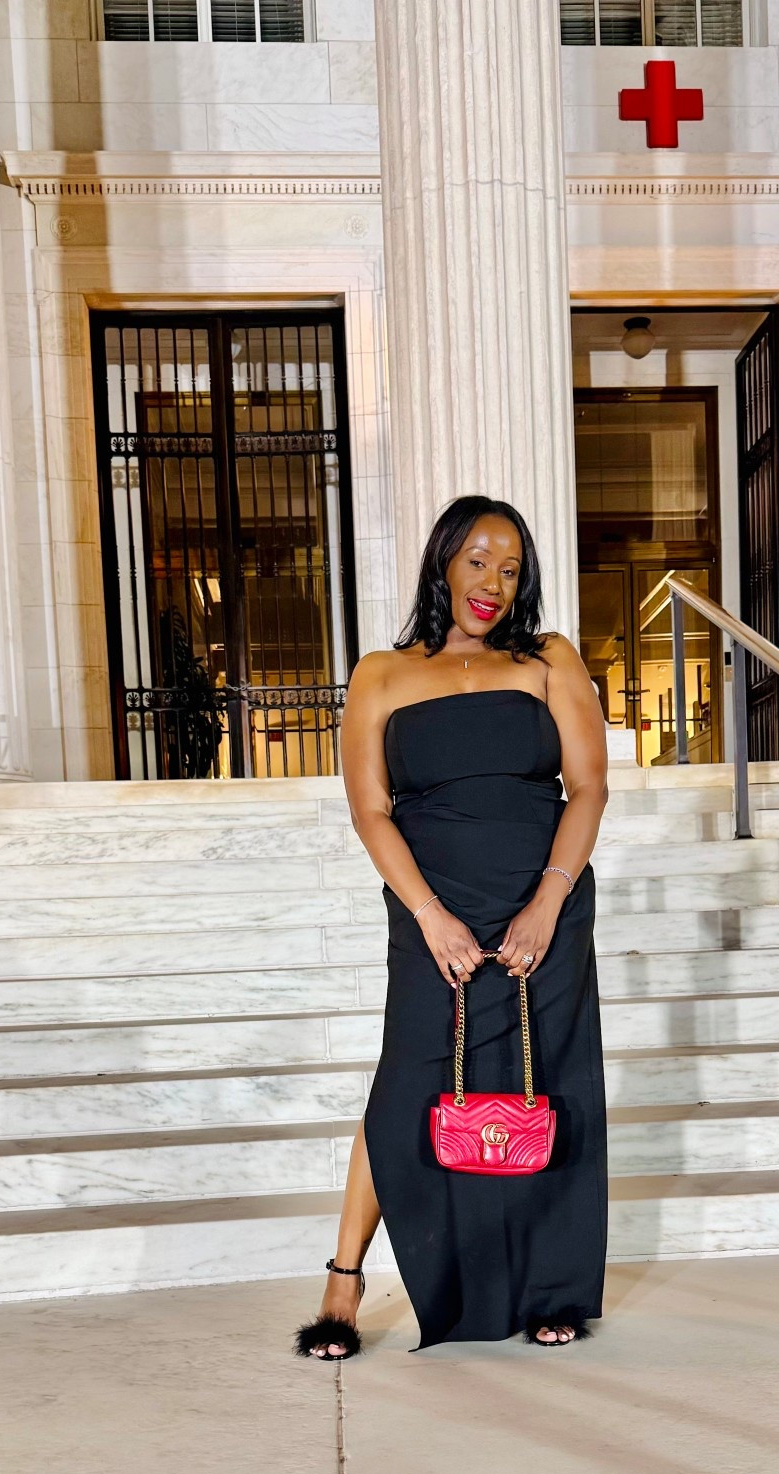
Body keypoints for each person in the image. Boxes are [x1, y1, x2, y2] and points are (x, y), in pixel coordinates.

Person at [294, 495, 610, 1358]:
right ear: (442, 560)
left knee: (549, 1086)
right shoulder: (381, 674)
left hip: (543, 903)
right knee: (407, 1085)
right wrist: (428, 916)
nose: (492, 583)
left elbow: (587, 788)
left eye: (510, 569)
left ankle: (552, 1288)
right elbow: (370, 811)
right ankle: (343, 1282)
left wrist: (548, 902)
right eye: (477, 560)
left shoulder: (548, 658)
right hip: (433, 909)